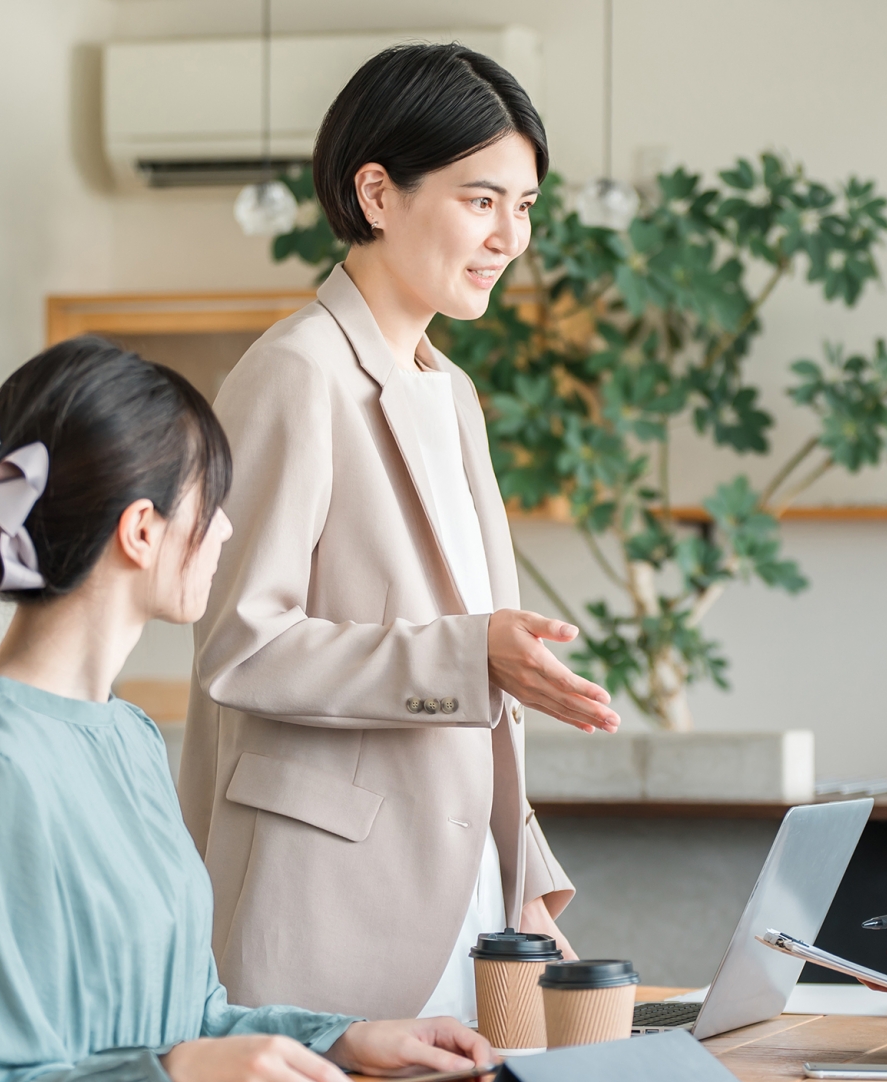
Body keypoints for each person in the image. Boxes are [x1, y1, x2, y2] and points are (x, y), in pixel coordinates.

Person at [0, 338, 493, 1082]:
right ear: (142, 531)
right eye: (212, 503)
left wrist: (344, 1036)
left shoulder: (128, 737)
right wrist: (177, 1076)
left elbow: (189, 1015)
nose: (226, 528)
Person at [179, 43, 618, 1025]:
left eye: (527, 206)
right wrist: (470, 653)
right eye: (481, 200)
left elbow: (479, 706)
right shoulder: (296, 373)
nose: (512, 236)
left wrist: (527, 889)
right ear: (377, 193)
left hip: (464, 906)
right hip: (326, 908)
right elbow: (239, 647)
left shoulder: (451, 392)